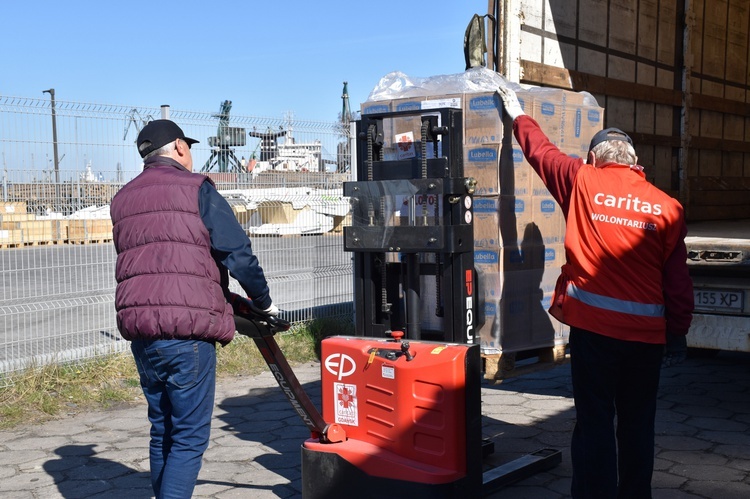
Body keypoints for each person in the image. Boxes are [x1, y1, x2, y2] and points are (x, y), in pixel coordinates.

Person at [498, 86, 693, 498]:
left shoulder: (579, 180)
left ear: (593, 158)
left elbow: (541, 152)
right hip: (645, 340)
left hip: (595, 336)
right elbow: (678, 284)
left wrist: (517, 114)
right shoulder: (668, 207)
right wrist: (677, 333)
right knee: (639, 423)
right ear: (636, 162)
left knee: (595, 420)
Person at [110, 119, 278, 499]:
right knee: (188, 438)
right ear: (180, 149)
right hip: (187, 334)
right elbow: (236, 253)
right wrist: (263, 301)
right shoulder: (196, 188)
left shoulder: (123, 198)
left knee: (162, 430)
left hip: (142, 332)